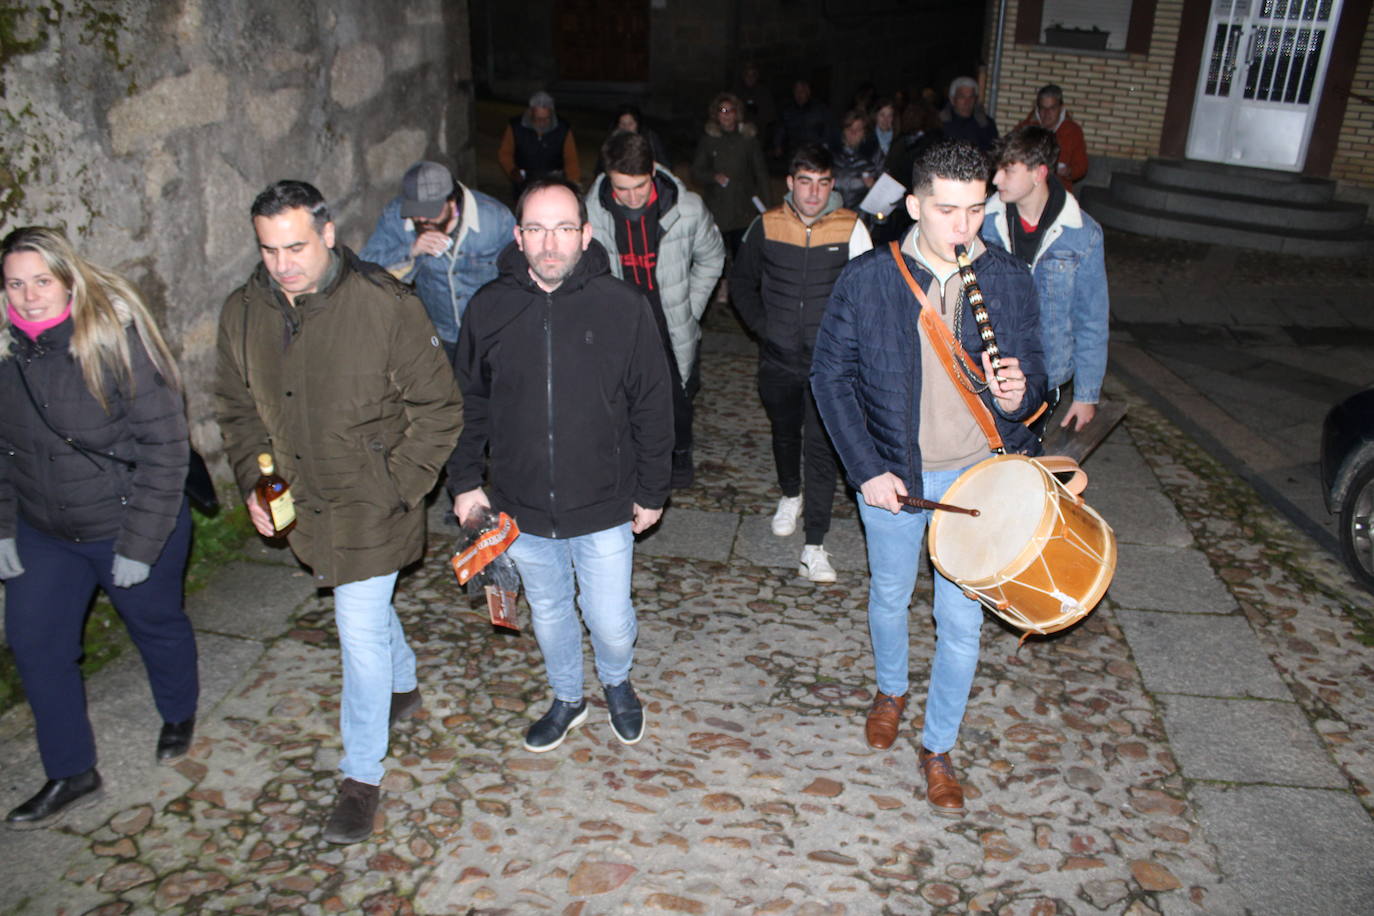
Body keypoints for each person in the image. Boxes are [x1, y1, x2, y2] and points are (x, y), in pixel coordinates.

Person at [215, 180, 462, 845]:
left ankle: (361, 775)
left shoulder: (386, 305)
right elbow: (237, 411)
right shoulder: (242, 312)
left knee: (355, 632)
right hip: (303, 503)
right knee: (367, 612)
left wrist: (394, 487)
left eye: (296, 245)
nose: (283, 263)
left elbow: (439, 411)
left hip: (371, 504)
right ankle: (404, 683)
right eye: (269, 250)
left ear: (327, 234)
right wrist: (252, 484)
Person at [811, 140, 1045, 818]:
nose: (963, 227)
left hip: (975, 480)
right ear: (914, 205)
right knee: (889, 594)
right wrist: (866, 469)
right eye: (946, 210)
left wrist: (1019, 396)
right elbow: (830, 378)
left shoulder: (1006, 278)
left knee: (961, 623)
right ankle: (891, 689)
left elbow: (1034, 393)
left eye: (976, 210)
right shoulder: (868, 279)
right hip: (893, 472)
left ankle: (937, 744)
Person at [447, 177, 673, 754]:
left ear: (586, 234)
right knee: (548, 610)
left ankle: (617, 683)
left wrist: (652, 489)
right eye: (539, 230)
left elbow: (653, 402)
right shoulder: (489, 308)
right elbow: (468, 400)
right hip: (521, 504)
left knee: (611, 620)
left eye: (564, 229)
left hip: (603, 502)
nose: (552, 244)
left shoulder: (624, 308)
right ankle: (568, 696)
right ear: (519, 237)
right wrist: (466, 481)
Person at [1, 227, 197, 828]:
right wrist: (4, 529)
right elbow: (6, 453)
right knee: (35, 644)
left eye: (42, 281)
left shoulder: (112, 342)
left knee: (155, 623)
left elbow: (166, 448)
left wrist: (140, 544)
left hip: (128, 517)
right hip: (45, 530)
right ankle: (72, 771)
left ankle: (178, 710)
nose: (30, 296)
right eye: (15, 283)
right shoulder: (6, 358)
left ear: (68, 280)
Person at [732, 143, 871, 583]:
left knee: (823, 447)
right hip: (778, 357)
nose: (813, 193)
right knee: (784, 432)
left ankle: (815, 545)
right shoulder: (767, 225)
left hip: (828, 365)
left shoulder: (852, 227)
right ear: (791, 183)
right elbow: (741, 283)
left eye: (823, 183)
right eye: (805, 182)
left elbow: (867, 294)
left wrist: (847, 345)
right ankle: (789, 493)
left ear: (832, 185)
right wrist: (764, 327)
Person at [587, 130, 725, 488]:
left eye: (640, 187)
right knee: (621, 394)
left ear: (653, 171)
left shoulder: (687, 207)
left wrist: (690, 306)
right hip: (619, 315)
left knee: (677, 394)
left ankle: (679, 456)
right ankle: (630, 458)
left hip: (668, 312)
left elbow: (712, 256)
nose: (631, 198)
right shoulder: (591, 211)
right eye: (622, 189)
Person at [983, 125, 1108, 432]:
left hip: (1045, 376)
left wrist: (1086, 395)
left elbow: (1091, 318)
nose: (996, 179)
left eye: (1008, 170)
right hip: (986, 372)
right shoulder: (983, 221)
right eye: (997, 169)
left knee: (1024, 467)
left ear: (1038, 173)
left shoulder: (1082, 234)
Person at [358, 160, 515, 363]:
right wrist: (411, 250)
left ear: (452, 201)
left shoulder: (495, 219)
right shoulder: (396, 217)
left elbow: (520, 272)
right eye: (415, 210)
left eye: (430, 211)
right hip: (439, 335)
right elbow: (364, 267)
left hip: (490, 333)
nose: (421, 218)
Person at [691, 91, 771, 257]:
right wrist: (713, 176)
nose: (726, 115)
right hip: (717, 209)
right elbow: (696, 172)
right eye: (722, 110)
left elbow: (761, 174)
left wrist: (767, 206)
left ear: (737, 114)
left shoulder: (748, 140)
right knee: (715, 256)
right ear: (716, 114)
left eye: (730, 110)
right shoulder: (708, 140)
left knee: (743, 256)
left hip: (743, 210)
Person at [497, 90, 581, 198]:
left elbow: (571, 160)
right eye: (538, 119)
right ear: (531, 112)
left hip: (554, 185)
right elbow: (505, 154)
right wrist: (512, 170)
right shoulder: (516, 127)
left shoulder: (563, 129)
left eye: (546, 119)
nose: (542, 122)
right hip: (525, 186)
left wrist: (572, 187)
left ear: (551, 113)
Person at [1016, 84, 1089, 193]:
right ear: (1037, 109)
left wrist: (1069, 172)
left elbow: (1082, 166)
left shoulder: (1072, 131)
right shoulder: (1025, 128)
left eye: (1052, 108)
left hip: (1058, 191)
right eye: (1043, 108)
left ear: (1061, 108)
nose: (1047, 113)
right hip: (1028, 189)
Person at [593, 104, 671, 177]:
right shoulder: (611, 143)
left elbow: (665, 166)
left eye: (630, 124)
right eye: (623, 124)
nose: (627, 128)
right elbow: (601, 170)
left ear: (637, 124)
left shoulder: (650, 139)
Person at [829, 109, 884, 211]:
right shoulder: (830, 155)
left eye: (858, 129)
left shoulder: (873, 155)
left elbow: (887, 191)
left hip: (862, 218)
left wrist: (873, 186)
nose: (853, 133)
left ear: (864, 132)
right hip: (833, 215)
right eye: (849, 128)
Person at [773, 79, 832, 161]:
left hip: (814, 150)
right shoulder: (788, 110)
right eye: (796, 92)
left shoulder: (819, 108)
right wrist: (778, 145)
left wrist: (825, 147)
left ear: (808, 92)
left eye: (802, 91)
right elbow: (781, 128)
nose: (799, 95)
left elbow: (827, 128)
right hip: (795, 151)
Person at [939, 76, 998, 152]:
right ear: (952, 99)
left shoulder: (986, 125)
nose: (967, 102)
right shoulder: (939, 123)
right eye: (962, 97)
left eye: (971, 97)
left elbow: (993, 152)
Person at [732, 61, 777, 135]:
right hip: (739, 131)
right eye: (747, 74)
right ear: (743, 76)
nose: (750, 78)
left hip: (759, 132)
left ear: (757, 76)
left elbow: (770, 116)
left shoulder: (764, 93)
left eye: (753, 75)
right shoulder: (736, 93)